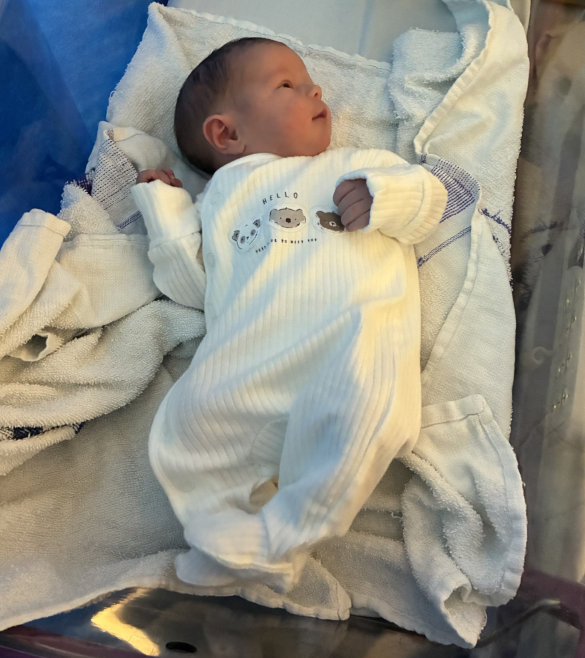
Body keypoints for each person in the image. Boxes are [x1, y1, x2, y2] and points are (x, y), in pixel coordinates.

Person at [131, 37, 448, 593]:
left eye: (310, 83)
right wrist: (166, 214)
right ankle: (220, 528)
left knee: (358, 418)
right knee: (193, 424)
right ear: (226, 134)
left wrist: (385, 197)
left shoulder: (357, 166)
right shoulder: (220, 198)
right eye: (288, 85)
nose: (315, 90)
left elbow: (428, 200)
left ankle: (281, 535)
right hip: (252, 351)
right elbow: (193, 286)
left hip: (350, 336)